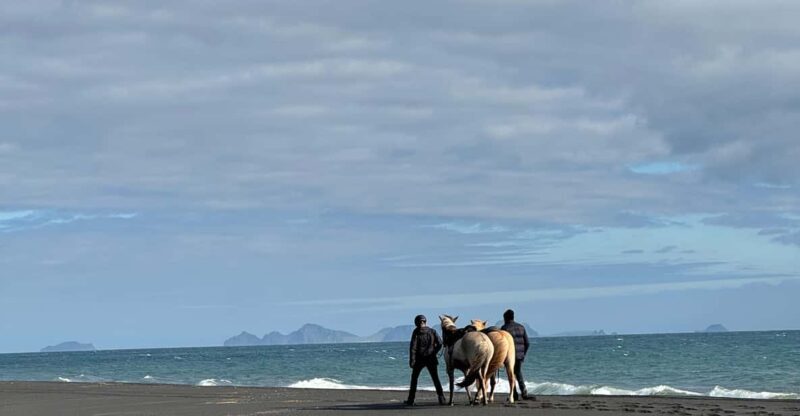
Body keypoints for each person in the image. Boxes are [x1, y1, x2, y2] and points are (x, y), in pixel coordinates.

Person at [405, 314, 446, 406]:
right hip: (431, 358)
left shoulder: (416, 332)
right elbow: (440, 344)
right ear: (425, 322)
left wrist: (412, 360)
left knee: (414, 379)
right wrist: (434, 352)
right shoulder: (432, 331)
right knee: (435, 378)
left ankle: (411, 400)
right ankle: (441, 398)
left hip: (419, 360)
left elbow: (413, 348)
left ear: (416, 323)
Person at [501, 309, 531, 400]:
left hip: (509, 355)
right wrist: (523, 354)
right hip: (519, 355)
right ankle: (524, 392)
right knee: (518, 372)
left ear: (505, 318)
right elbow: (527, 343)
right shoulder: (521, 327)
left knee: (511, 374)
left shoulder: (504, 328)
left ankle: (514, 394)